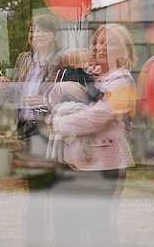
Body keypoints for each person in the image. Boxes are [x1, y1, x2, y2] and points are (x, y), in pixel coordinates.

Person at [48, 23, 136, 246]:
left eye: (110, 42)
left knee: (96, 227)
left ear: (125, 52)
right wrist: (62, 87)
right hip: (70, 162)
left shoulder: (123, 81)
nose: (100, 47)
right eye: (97, 42)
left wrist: (58, 123)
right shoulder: (86, 74)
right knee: (64, 226)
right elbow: (49, 98)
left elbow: (98, 116)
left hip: (103, 167)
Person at [0, 13, 63, 246]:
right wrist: (7, 89)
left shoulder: (61, 61)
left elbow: (66, 96)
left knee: (49, 191)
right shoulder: (24, 59)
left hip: (48, 130)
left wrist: (43, 101)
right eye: (34, 31)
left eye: (43, 30)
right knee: (33, 193)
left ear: (54, 36)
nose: (37, 35)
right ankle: (35, 240)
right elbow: (17, 97)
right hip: (25, 129)